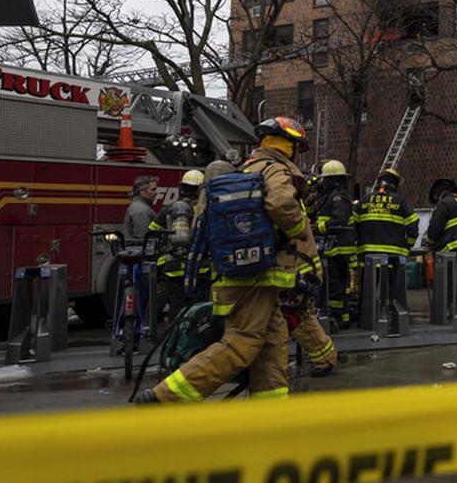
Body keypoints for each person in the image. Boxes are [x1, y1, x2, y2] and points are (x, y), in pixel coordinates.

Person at [139, 117, 319, 403]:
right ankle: (166, 396)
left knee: (271, 343)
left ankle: (270, 411)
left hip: (247, 273)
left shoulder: (247, 169)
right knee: (241, 344)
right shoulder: (276, 170)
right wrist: (299, 232)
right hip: (260, 274)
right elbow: (282, 204)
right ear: (291, 145)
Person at [354, 168, 418, 327]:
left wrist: (358, 244)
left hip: (368, 255)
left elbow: (352, 225)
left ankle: (366, 317)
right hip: (393, 255)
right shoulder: (400, 201)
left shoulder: (365, 200)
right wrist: (408, 244)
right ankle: (391, 315)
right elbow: (413, 224)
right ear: (395, 184)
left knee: (368, 285)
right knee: (391, 287)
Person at [151, 170, 207, 318]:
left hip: (173, 268)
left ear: (181, 188)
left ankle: (174, 338)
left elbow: (152, 233)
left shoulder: (169, 209)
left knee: (177, 307)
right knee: (199, 309)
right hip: (200, 268)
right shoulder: (205, 209)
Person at [313, 160, 357, 326]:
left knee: (334, 286)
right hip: (335, 249)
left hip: (338, 249)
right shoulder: (331, 196)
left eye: (326, 180)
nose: (323, 183)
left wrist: (319, 228)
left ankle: (335, 315)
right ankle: (342, 317)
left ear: (332, 180)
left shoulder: (338, 197)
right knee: (339, 285)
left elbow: (340, 220)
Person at [124, 175, 159, 240]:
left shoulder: (139, 207)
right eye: (153, 189)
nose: (156, 193)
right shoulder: (142, 211)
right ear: (142, 191)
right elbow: (143, 238)